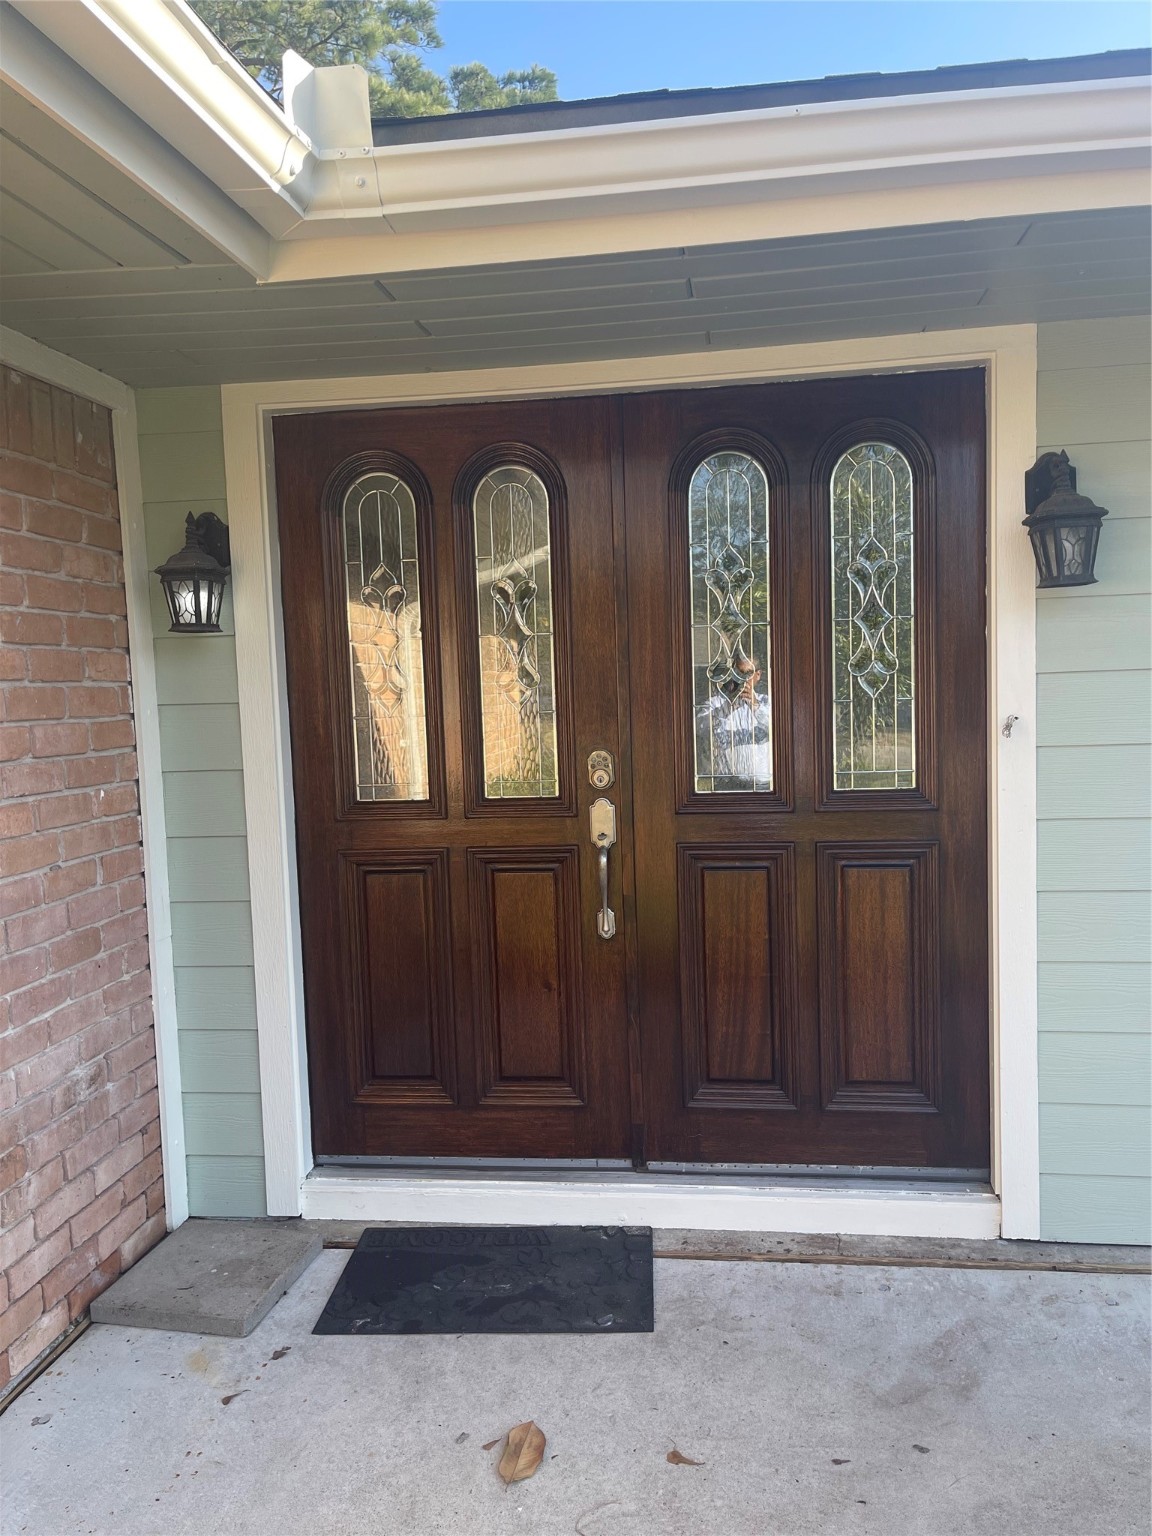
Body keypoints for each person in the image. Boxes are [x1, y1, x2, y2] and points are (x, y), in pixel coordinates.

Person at [695, 652, 772, 791]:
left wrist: (755, 707)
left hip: (761, 785)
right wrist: (726, 708)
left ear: (758, 675)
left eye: (748, 673)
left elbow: (778, 727)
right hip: (727, 784)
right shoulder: (716, 703)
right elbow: (698, 728)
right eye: (738, 673)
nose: (741, 679)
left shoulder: (766, 702)